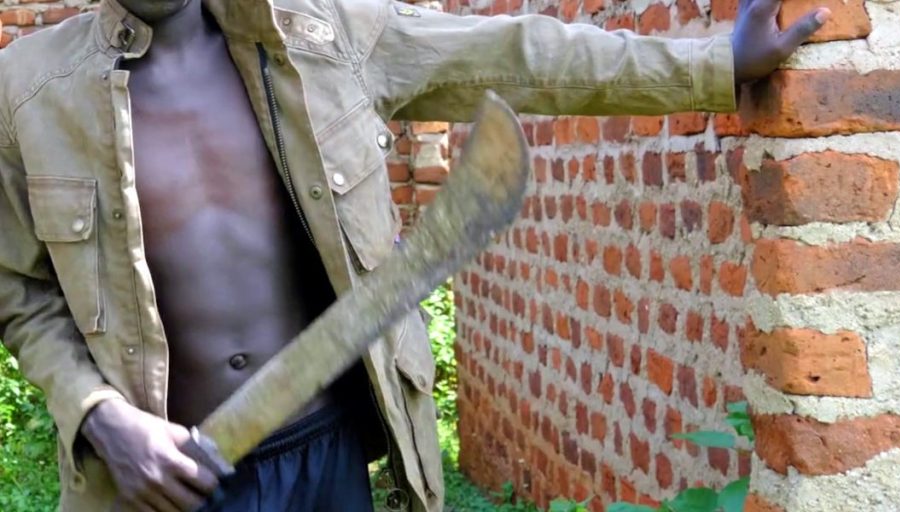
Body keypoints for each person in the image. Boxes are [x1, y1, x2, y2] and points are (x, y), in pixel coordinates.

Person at [0, 0, 828, 510]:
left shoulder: (325, 36)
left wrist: (716, 64)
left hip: (325, 455)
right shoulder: (26, 91)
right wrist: (98, 417)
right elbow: (18, 292)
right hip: (157, 482)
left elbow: (523, 56)